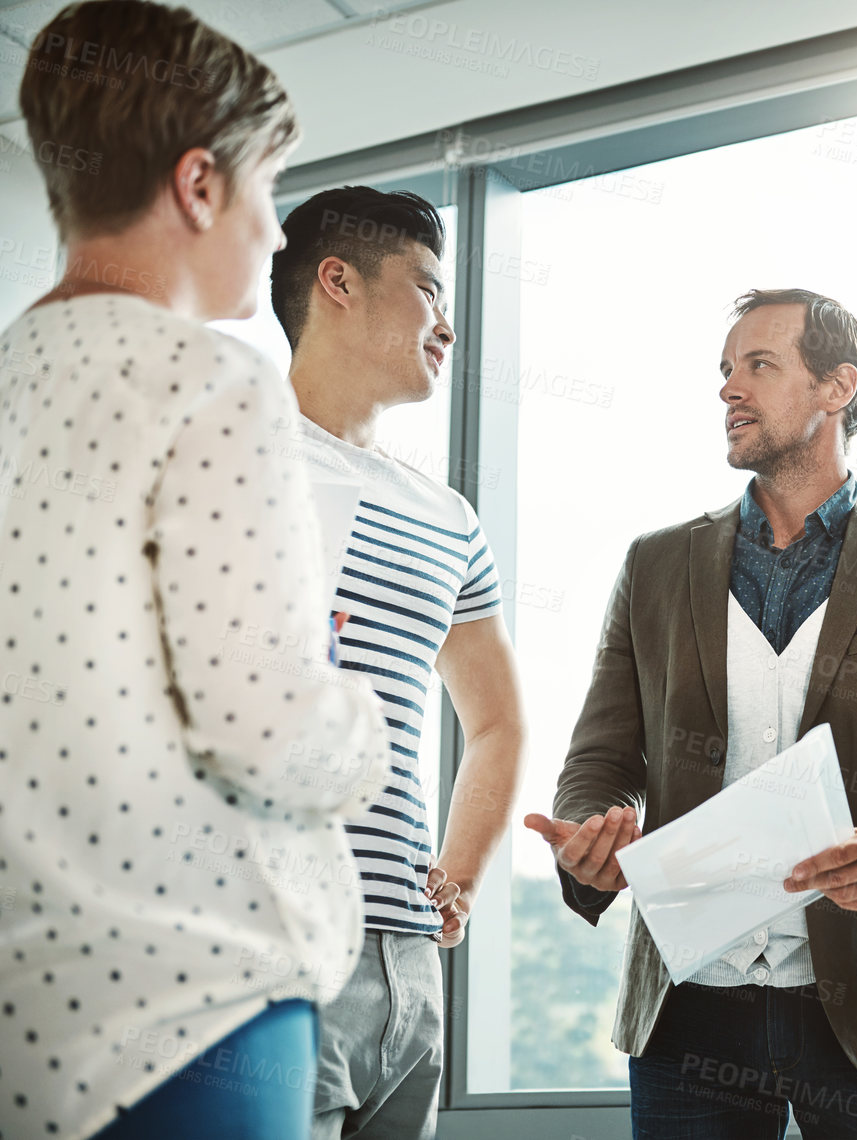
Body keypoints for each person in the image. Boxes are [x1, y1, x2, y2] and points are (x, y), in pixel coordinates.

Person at [0, 4, 394, 1139]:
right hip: (189, 1010)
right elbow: (263, 722)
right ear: (201, 185)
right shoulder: (213, 381)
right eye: (268, 192)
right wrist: (357, 716)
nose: (272, 235)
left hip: (7, 1025)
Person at [522, 288, 857, 1138]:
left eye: (758, 364)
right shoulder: (655, 564)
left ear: (836, 388)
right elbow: (600, 760)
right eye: (724, 369)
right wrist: (589, 834)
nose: (728, 389)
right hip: (687, 1012)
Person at [269, 186, 526, 1140]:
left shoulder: (449, 516)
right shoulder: (219, 458)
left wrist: (455, 874)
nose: (446, 324)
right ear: (337, 282)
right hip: (272, 941)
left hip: (407, 967)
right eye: (426, 289)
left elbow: (495, 721)